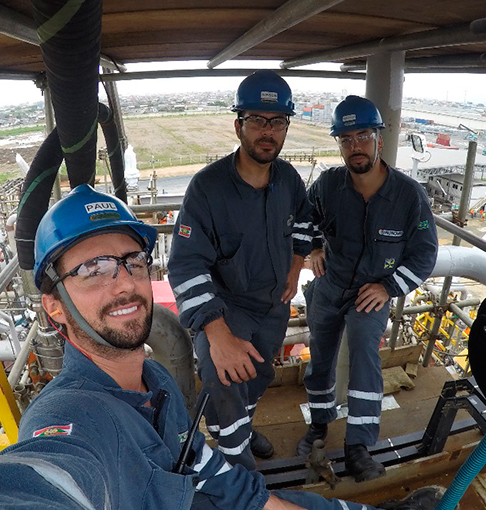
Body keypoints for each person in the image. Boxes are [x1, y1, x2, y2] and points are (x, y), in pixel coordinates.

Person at [0, 184, 442, 510]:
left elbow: (215, 477)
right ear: (54, 307)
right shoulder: (72, 416)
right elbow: (45, 479)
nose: (123, 283)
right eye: (91, 270)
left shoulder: (156, 385)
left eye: (131, 262)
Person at [167, 70, 313, 469]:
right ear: (238, 126)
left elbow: (303, 220)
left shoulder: (288, 179)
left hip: (272, 307)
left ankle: (242, 430)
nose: (267, 131)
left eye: (277, 122)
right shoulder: (207, 188)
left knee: (258, 376)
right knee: (224, 378)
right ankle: (238, 464)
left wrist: (297, 263)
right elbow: (184, 265)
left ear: (285, 128)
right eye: (256, 121)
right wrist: (217, 334)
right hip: (225, 308)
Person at [296, 96, 439, 483]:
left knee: (363, 353)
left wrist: (390, 286)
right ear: (339, 144)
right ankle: (320, 425)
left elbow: (425, 255)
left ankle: (358, 446)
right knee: (320, 359)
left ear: (379, 138)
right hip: (330, 286)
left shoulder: (409, 197)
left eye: (363, 136)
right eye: (346, 138)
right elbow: (304, 219)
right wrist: (313, 247)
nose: (354, 146)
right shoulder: (328, 185)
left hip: (371, 293)